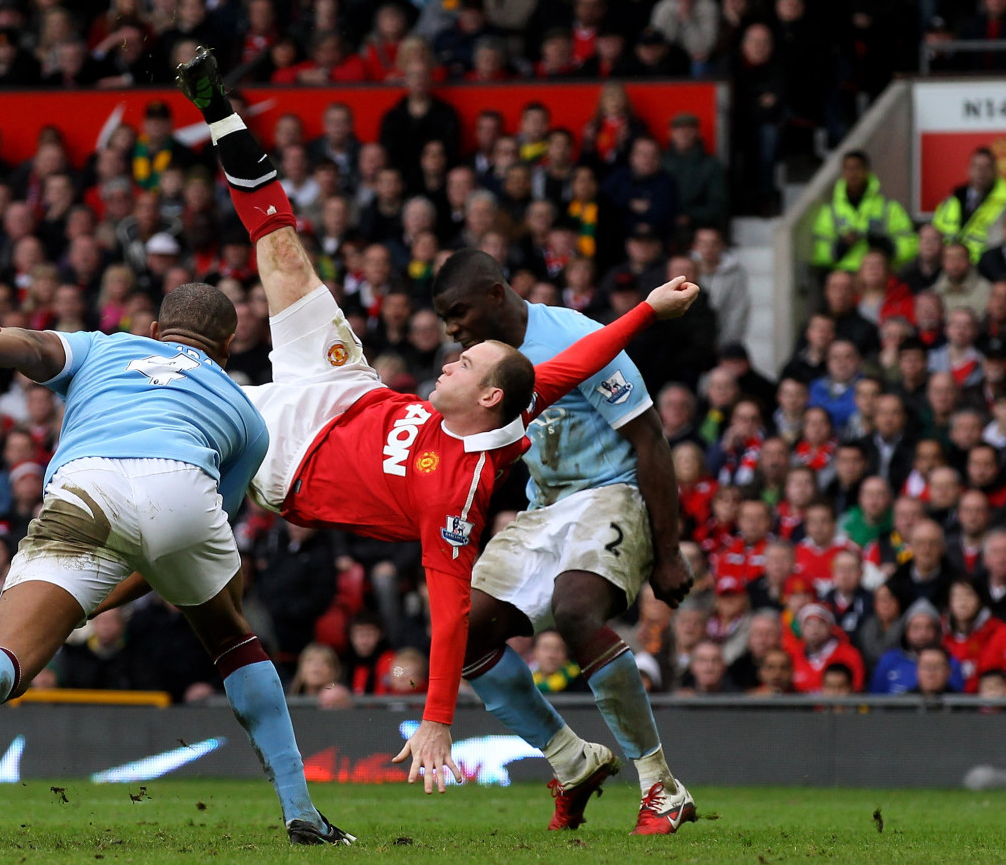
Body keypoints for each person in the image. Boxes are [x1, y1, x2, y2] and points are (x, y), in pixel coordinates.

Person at [170, 46, 698, 800]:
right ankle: (220, 109)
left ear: (487, 396)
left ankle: (656, 781)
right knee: (283, 255)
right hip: (342, 386)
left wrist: (436, 719)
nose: (449, 356)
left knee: (164, 424)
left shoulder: (453, 494)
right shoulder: (503, 400)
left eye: (464, 354)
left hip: (281, 453)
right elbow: (577, 363)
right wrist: (650, 306)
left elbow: (445, 616)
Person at [0, 282, 352, 846]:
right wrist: (102, 600)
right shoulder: (246, 416)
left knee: (9, 653)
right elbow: (174, 545)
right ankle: (301, 811)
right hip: (184, 488)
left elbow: (34, 346)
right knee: (232, 638)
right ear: (227, 345)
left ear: (155, 330)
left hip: (87, 483)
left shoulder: (106, 347)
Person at [431, 246, 698, 835]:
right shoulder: (480, 366)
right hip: (545, 508)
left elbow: (650, 437)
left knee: (577, 609)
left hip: (613, 493)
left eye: (458, 312)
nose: (452, 329)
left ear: (495, 295)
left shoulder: (575, 335)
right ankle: (572, 762)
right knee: (463, 631)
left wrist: (669, 550)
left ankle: (661, 786)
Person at [810, 151, 917, 272]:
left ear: (867, 171)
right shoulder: (830, 211)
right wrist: (843, 244)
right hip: (844, 277)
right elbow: (819, 252)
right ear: (842, 173)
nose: (853, 173)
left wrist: (882, 244)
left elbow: (909, 246)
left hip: (879, 275)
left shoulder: (889, 208)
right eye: (848, 169)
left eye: (857, 168)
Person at [932, 147, 1006, 262]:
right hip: (949, 266)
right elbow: (935, 235)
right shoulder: (951, 202)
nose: (981, 171)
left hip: (984, 268)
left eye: (987, 167)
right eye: (977, 166)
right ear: (968, 169)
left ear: (995, 171)